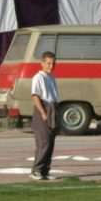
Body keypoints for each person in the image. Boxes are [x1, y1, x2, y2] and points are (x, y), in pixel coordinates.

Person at [29, 51, 59, 181]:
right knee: (43, 142)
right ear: (42, 63)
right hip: (43, 109)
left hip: (52, 108)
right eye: (48, 63)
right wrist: (43, 113)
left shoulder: (51, 78)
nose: (51, 66)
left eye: (53, 63)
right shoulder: (38, 77)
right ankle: (36, 170)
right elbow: (35, 96)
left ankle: (45, 170)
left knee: (50, 142)